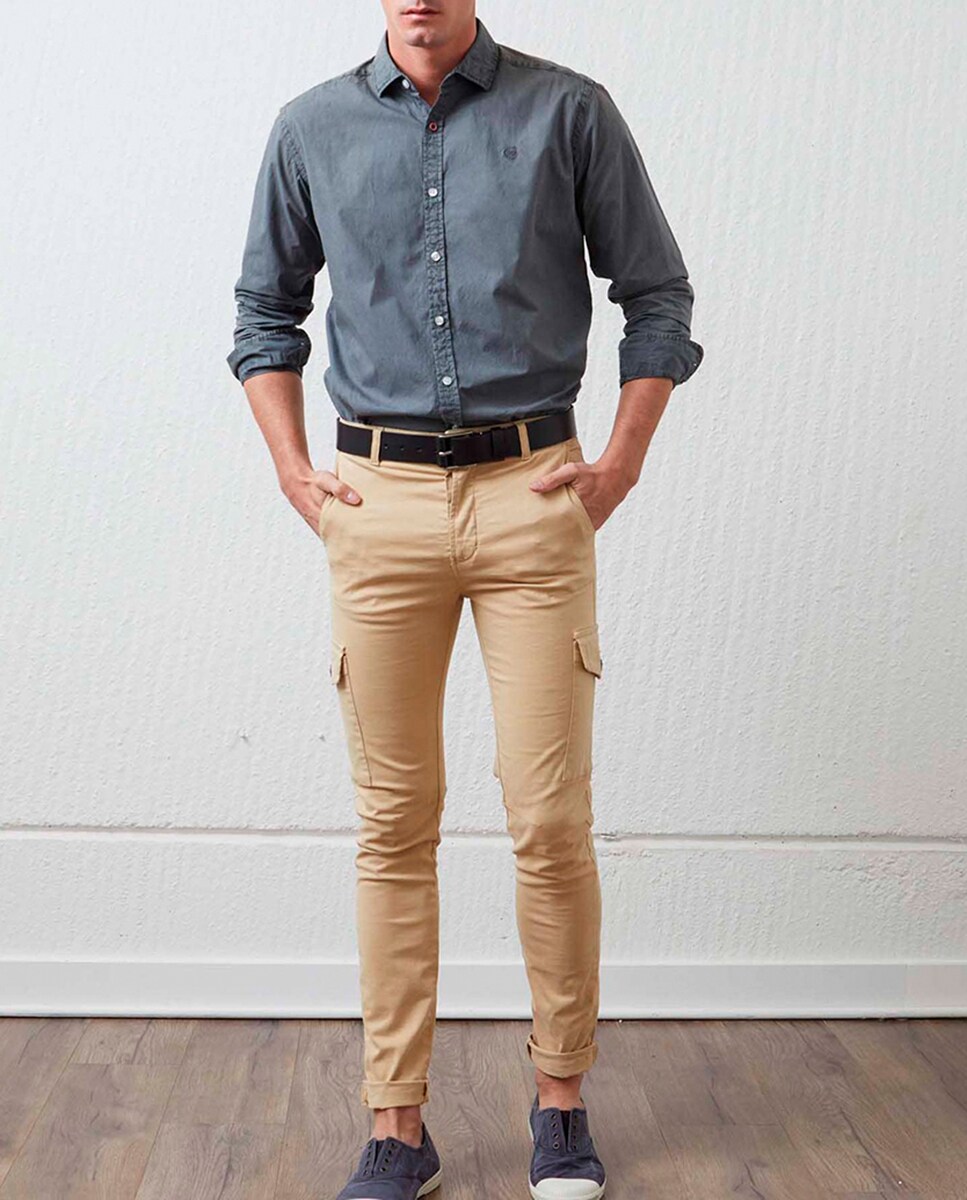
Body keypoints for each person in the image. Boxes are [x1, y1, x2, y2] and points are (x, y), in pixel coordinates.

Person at [227, 3, 703, 1196]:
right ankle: (398, 1125)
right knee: (393, 825)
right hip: (374, 502)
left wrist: (618, 466)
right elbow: (263, 315)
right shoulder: (310, 127)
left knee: (548, 820)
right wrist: (292, 468)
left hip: (533, 493)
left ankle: (560, 1105)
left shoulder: (568, 112)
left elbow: (657, 297)